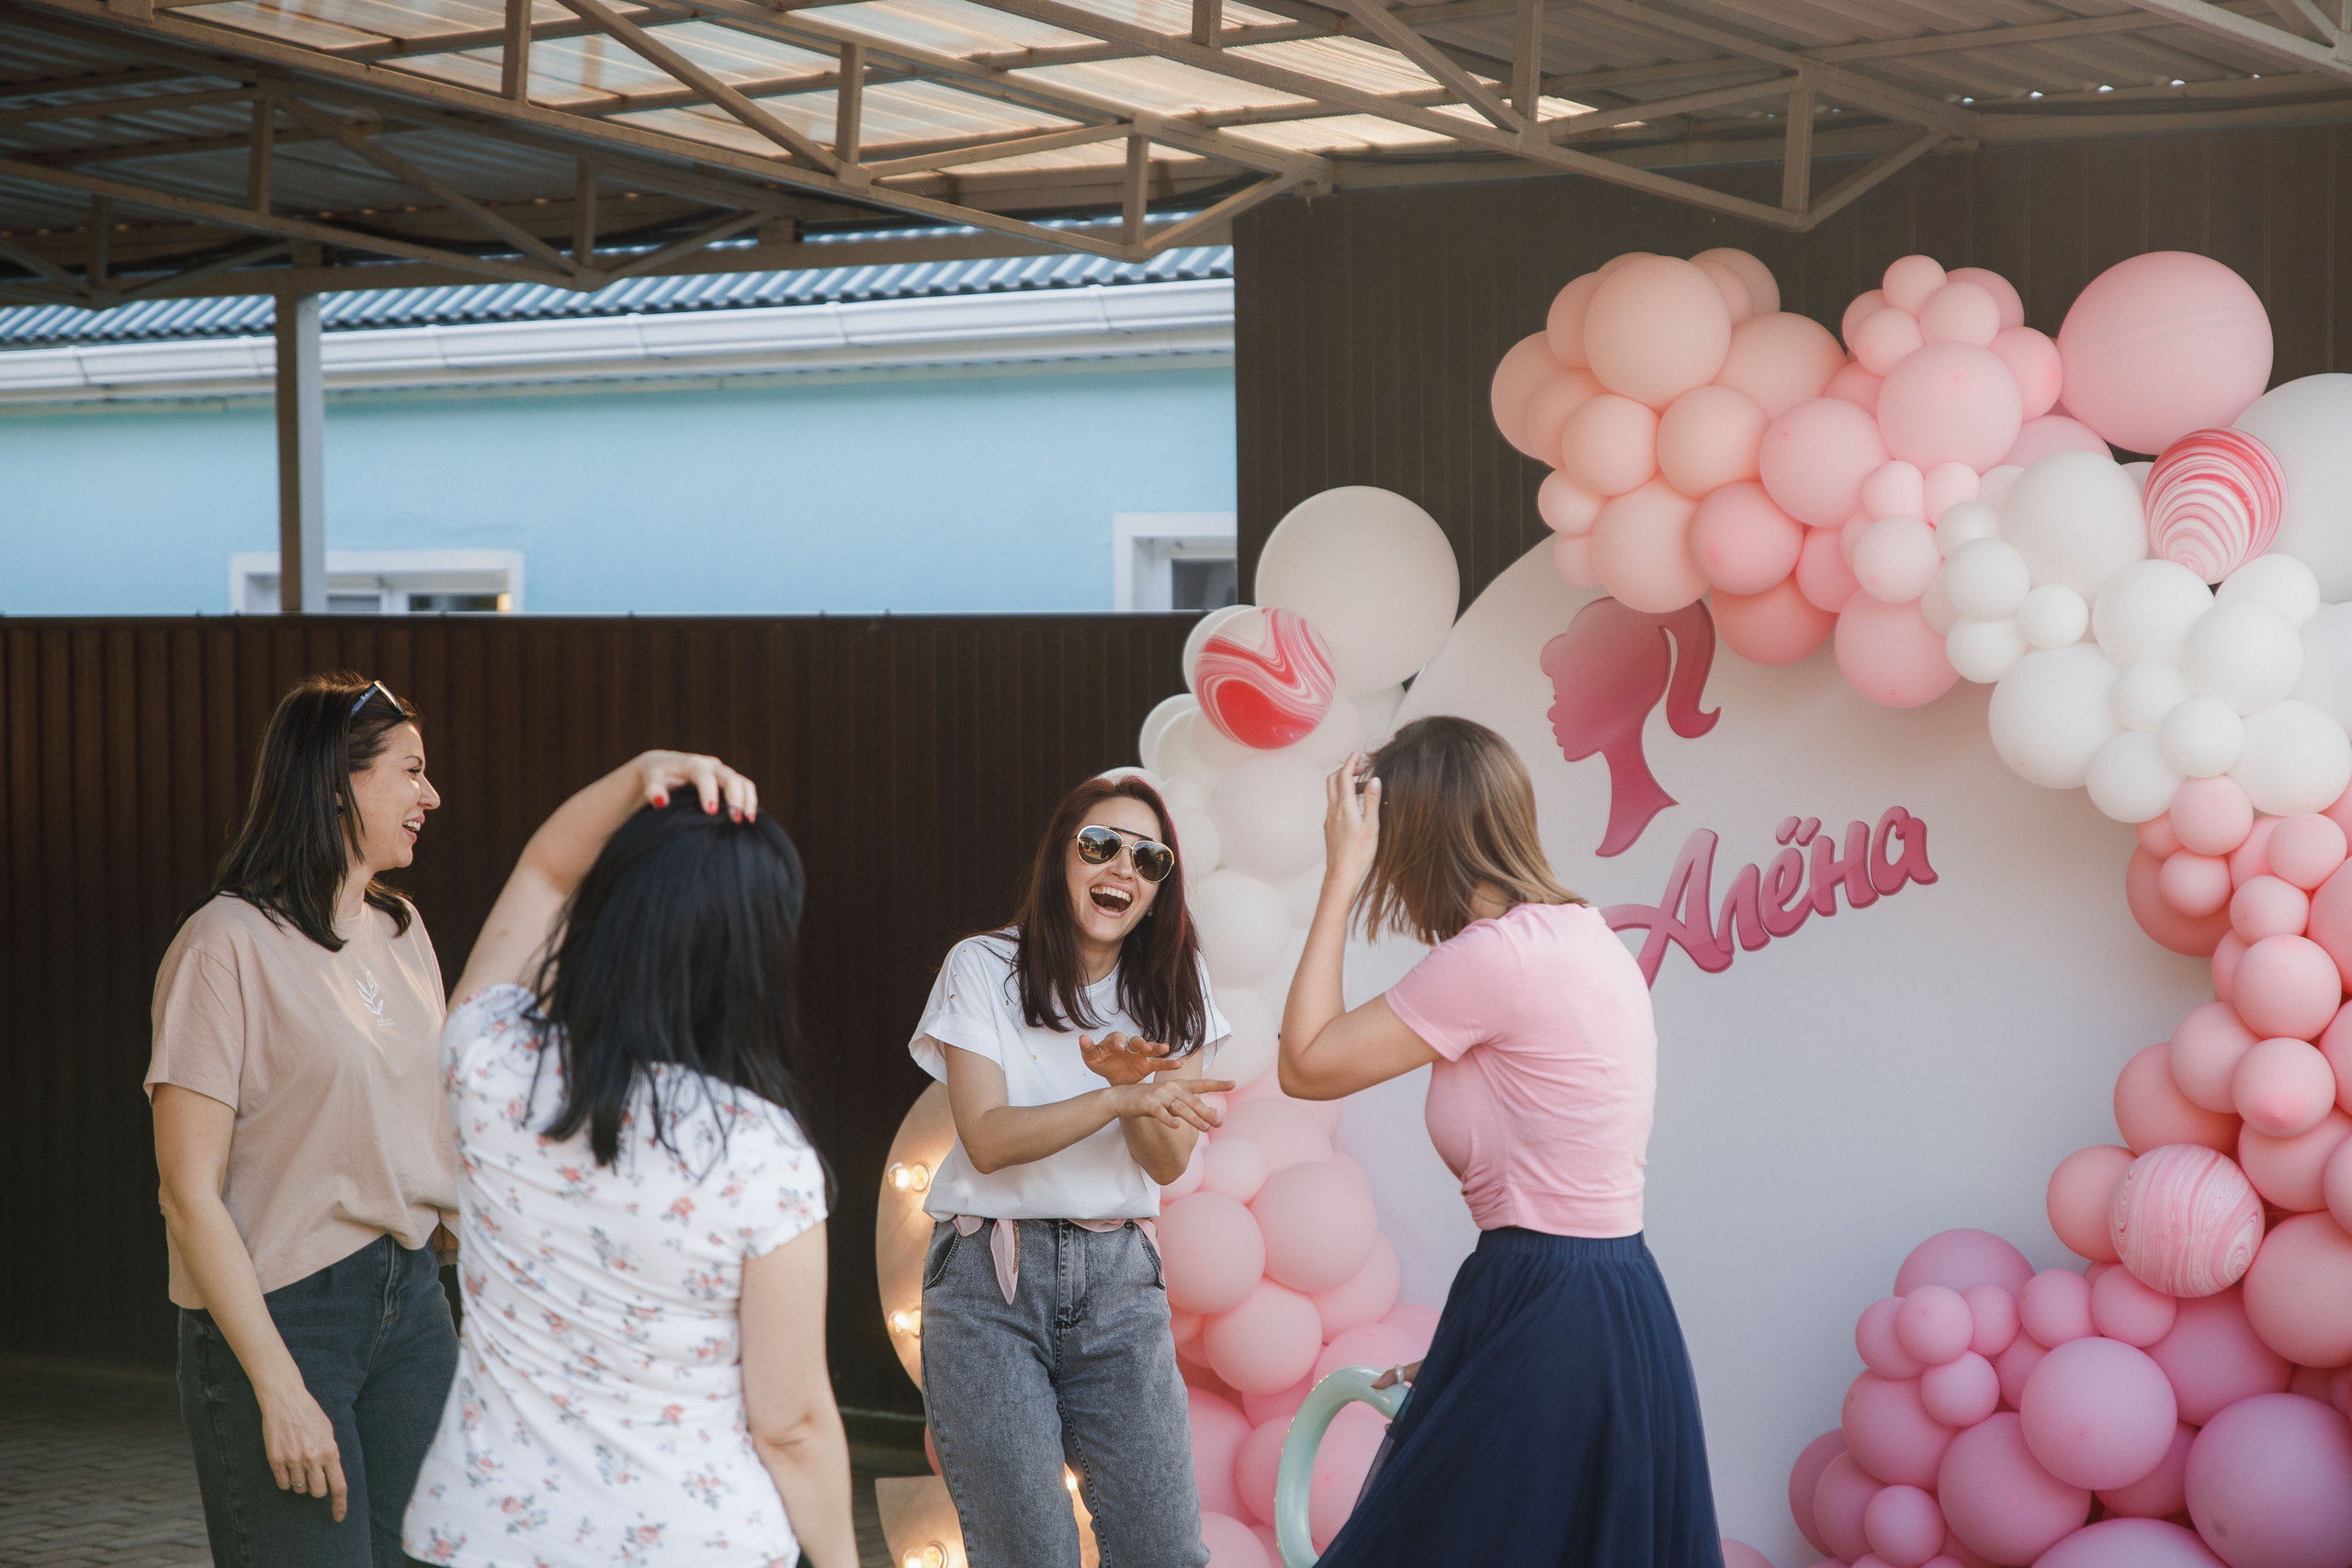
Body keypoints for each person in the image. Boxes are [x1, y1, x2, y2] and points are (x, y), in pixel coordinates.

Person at [1280, 716, 1723, 1567]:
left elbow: (1304, 1063)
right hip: (1602, 1298)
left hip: (1549, 1300)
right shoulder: (1584, 935)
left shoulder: (1497, 957)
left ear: (1416, 840)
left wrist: (1338, 877)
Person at [399, 751, 854, 1568]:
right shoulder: (759, 1153)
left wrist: (641, 775)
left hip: (483, 1533)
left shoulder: (490, 1062)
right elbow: (791, 1423)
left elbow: (544, 867)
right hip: (695, 1544)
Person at [149, 672, 458, 1567]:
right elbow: (187, 1193)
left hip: (411, 1306)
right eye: (410, 771)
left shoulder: (402, 931)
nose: (429, 796)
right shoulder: (223, 946)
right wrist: (277, 1388)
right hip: (283, 1317)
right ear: (335, 782)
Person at [910, 773, 1234, 1568]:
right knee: (1031, 1553)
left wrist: (1140, 1098)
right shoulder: (981, 966)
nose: (1123, 867)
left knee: (1163, 1551)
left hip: (1121, 1279)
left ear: (1160, 890)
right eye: (1101, 845)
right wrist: (1114, 1096)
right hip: (989, 1280)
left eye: (1148, 859)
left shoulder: (1178, 990)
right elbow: (985, 1139)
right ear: (1062, 858)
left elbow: (1165, 1160)